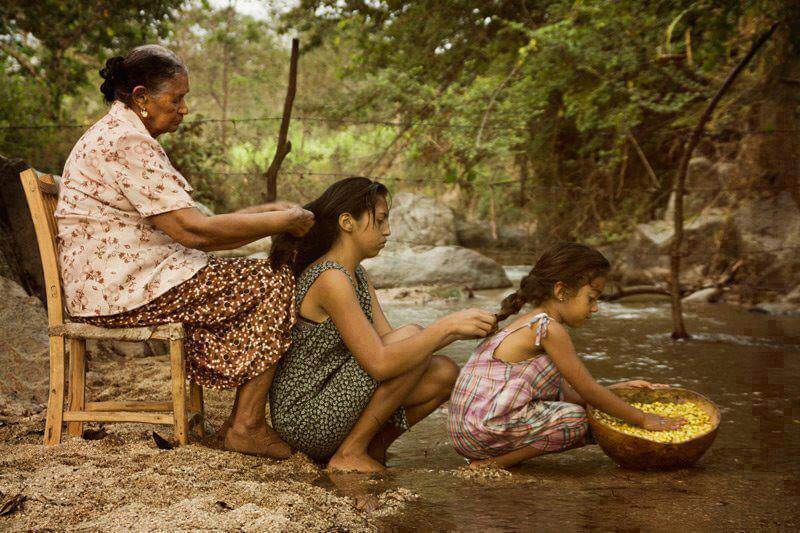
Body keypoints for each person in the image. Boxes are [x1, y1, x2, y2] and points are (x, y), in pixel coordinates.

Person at [55, 44, 314, 458]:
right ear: (140, 97)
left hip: (123, 284)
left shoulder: (120, 134)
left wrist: (265, 213)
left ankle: (242, 419)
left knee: (250, 275)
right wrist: (281, 222)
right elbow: (193, 233)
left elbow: (194, 227)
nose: (183, 109)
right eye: (176, 99)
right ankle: (246, 425)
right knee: (273, 279)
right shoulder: (127, 142)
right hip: (122, 293)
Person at [268, 177, 497, 472]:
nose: (387, 230)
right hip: (306, 417)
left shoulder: (357, 274)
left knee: (443, 372)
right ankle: (349, 453)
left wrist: (451, 332)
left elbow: (390, 340)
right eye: (379, 220)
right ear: (347, 222)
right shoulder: (331, 278)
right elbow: (379, 364)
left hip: (334, 399)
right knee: (415, 338)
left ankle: (373, 449)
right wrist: (447, 328)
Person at [448, 243, 684, 469]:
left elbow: (566, 393)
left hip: (470, 430)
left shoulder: (530, 323)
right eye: (591, 298)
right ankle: (493, 464)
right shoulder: (548, 328)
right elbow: (587, 390)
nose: (595, 308)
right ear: (561, 291)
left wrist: (617, 389)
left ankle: (496, 456)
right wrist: (643, 418)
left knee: (595, 412)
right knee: (577, 420)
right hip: (481, 430)